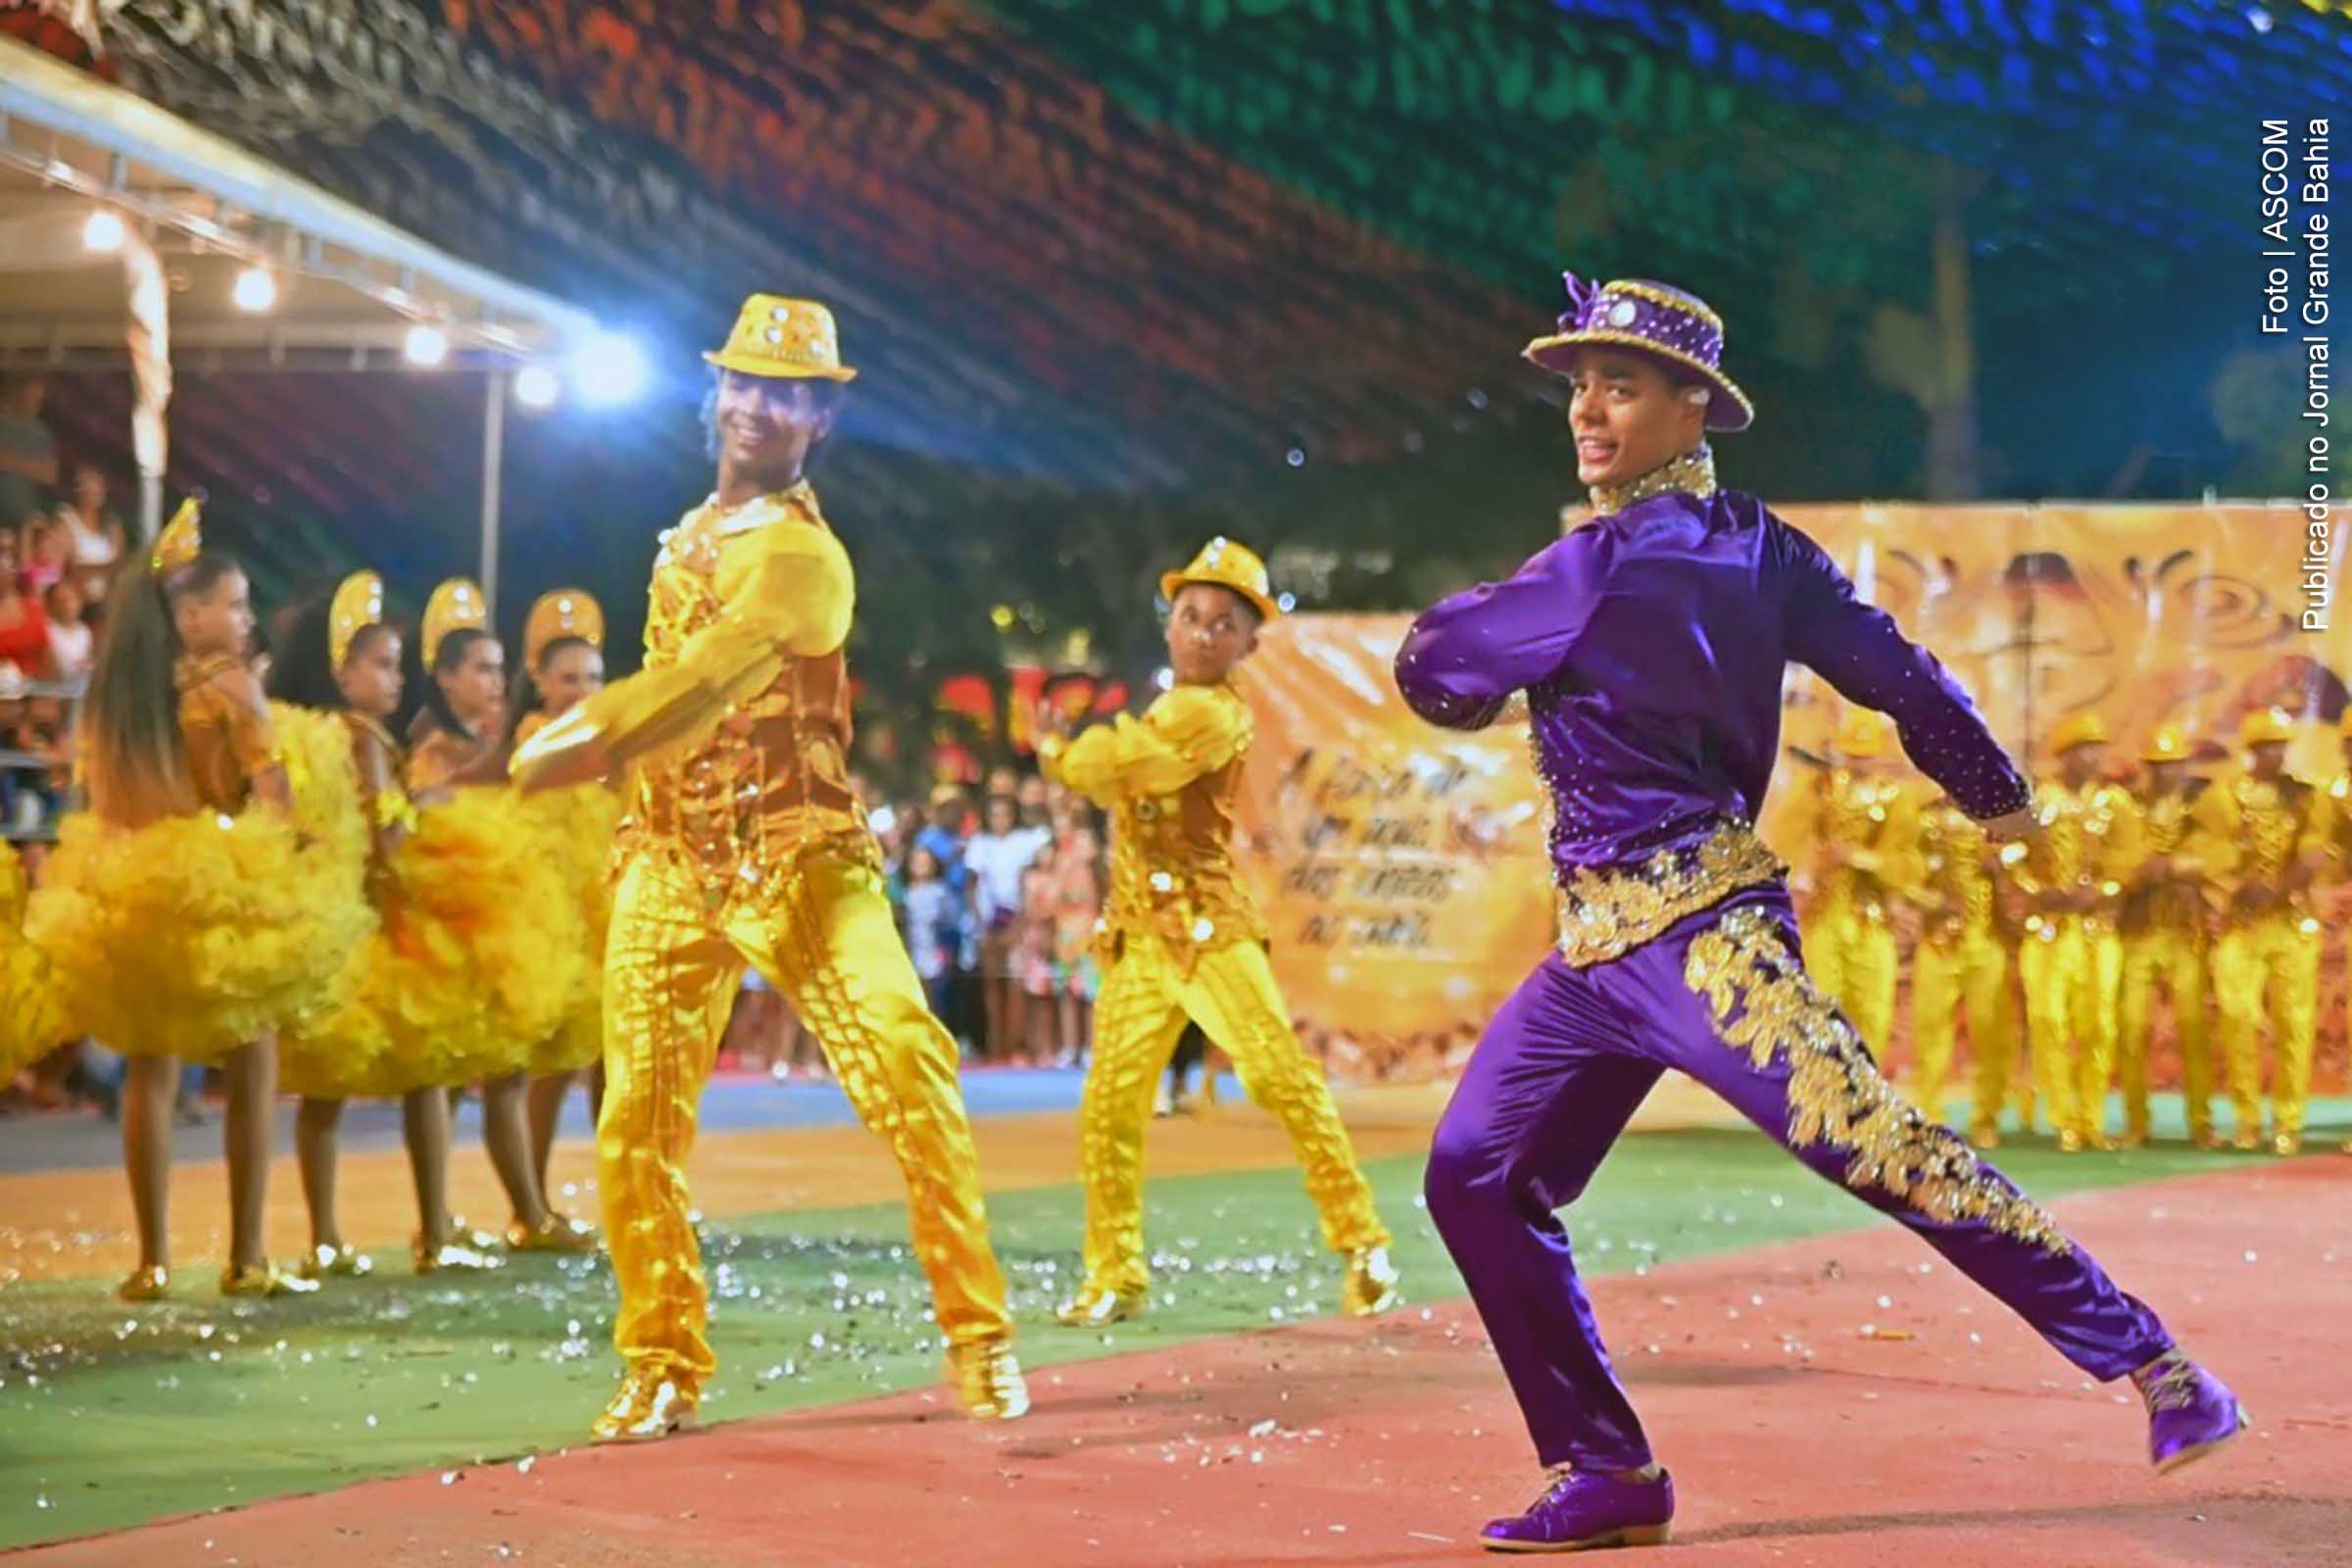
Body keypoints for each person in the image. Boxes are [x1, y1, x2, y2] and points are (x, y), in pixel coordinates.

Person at [1396, 274, 2244, 1552]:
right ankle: (1609, 1474)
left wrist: (1474, 659)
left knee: (1870, 1142)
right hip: (1596, 955)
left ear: (1696, 410)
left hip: (1703, 942)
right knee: (1478, 1173)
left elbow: (1434, 666)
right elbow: (1907, 679)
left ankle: (2159, 1364)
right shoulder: (1769, 552)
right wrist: (2001, 804)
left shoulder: (1588, 562)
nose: (1586, 408)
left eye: (1619, 385)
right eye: (1579, 384)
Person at [514, 293, 1028, 1440]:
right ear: (718, 395)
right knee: (634, 1122)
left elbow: (706, 676)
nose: (758, 404)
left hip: (798, 856)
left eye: (787, 392)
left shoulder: (805, 557)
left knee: (906, 1060)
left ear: (818, 420)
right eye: (745, 382)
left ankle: (977, 1329)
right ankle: (660, 1359)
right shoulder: (685, 534)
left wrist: (591, 736)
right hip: (670, 860)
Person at [1039, 537, 1398, 1328]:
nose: (1202, 633)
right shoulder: (1172, 705)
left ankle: (1364, 1241)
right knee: (1109, 1109)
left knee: (1279, 1079)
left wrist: (1060, 750)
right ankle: (1115, 1274)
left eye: (1222, 623)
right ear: (1171, 628)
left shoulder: (1212, 714)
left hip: (1207, 932)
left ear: (1248, 644)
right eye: (1191, 617)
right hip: (1137, 937)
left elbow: (1122, 766)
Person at [27, 500, 366, 1298]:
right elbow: (272, 796)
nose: (247, 620)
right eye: (236, 605)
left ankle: (150, 1261)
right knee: (252, 1061)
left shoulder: (119, 693)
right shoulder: (230, 686)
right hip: (223, 879)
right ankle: (246, 1255)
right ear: (189, 614)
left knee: (152, 1068)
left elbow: (102, 805)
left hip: (135, 883)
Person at [269, 572, 504, 1279]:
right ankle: (430, 1230)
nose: (395, 679)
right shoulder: (363, 738)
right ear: (340, 670)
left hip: (355, 920)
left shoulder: (344, 734)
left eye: (397, 664)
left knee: (329, 1089)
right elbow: (386, 835)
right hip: (376, 926)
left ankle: (329, 1236)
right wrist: (422, 805)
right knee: (421, 1076)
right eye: (380, 664)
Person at [409, 578, 598, 1254]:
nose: (495, 680)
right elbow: (432, 806)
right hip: (471, 930)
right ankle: (447, 1224)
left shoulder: (487, 741)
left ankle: (517, 1212)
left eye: (497, 667)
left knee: (499, 1075)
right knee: (465, 1076)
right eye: (482, 668)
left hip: (511, 925)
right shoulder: (458, 745)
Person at [510, 588, 617, 1197]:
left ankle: (621, 1192)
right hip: (552, 926)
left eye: (595, 678)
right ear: (541, 681)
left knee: (616, 1063)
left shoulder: (614, 748)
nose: (583, 689)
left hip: (610, 919)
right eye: (569, 678)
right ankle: (533, 1195)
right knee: (552, 1066)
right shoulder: (529, 743)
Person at [2197, 707, 2322, 1154]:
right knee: (2238, 1019)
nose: (2277, 755)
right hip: (2242, 924)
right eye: (2268, 747)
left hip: (2289, 922)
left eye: (2282, 746)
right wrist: (2236, 881)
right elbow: (2209, 855)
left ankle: (2288, 1121)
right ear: (2251, 751)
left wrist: (2287, 883)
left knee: (2295, 1021)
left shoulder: (2306, 797)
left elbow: (2316, 847)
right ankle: (2248, 1119)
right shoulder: (2224, 797)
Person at [2009, 712, 2132, 1151]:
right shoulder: (2036, 801)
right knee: (2049, 1020)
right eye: (2082, 748)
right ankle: (2064, 1119)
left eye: (2097, 747)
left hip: (2098, 930)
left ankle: (2093, 1119)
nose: (2092, 756)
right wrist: (2038, 891)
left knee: (2099, 1023)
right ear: (2063, 757)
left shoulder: (2116, 803)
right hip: (2049, 929)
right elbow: (2009, 854)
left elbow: (2131, 858)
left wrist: (2104, 889)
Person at [2114, 726, 2217, 1149]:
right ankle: (2137, 1122)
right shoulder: (2128, 808)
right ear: (2145, 769)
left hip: (2184, 933)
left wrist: (2177, 867)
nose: (2164, 774)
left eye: (2171, 765)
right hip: (2138, 934)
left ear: (2184, 767)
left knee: (2194, 1028)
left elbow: (2222, 852)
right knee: (2132, 1028)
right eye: (2157, 766)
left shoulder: (2202, 805)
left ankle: (2201, 1122)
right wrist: (2138, 870)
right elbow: (2115, 860)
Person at [1794, 708, 1914, 1061]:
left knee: (1872, 1010)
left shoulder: (1895, 799)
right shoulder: (1822, 790)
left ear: (1878, 755)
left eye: (1867, 755)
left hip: (1870, 916)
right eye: (1853, 754)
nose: (1860, 762)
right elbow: (1790, 838)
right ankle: (1821, 1095)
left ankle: (1867, 1099)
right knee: (1819, 1005)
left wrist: (1857, 858)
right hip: (1824, 910)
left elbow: (1906, 866)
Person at [1907, 780, 2020, 1143]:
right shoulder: (1924, 821)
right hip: (1939, 942)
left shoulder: (2001, 821)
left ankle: (1986, 1116)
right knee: (1930, 1030)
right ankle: (1929, 1116)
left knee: (1991, 1032)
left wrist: (1999, 870)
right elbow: (1903, 877)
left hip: (1986, 940)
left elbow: (2025, 877)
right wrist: (1931, 902)